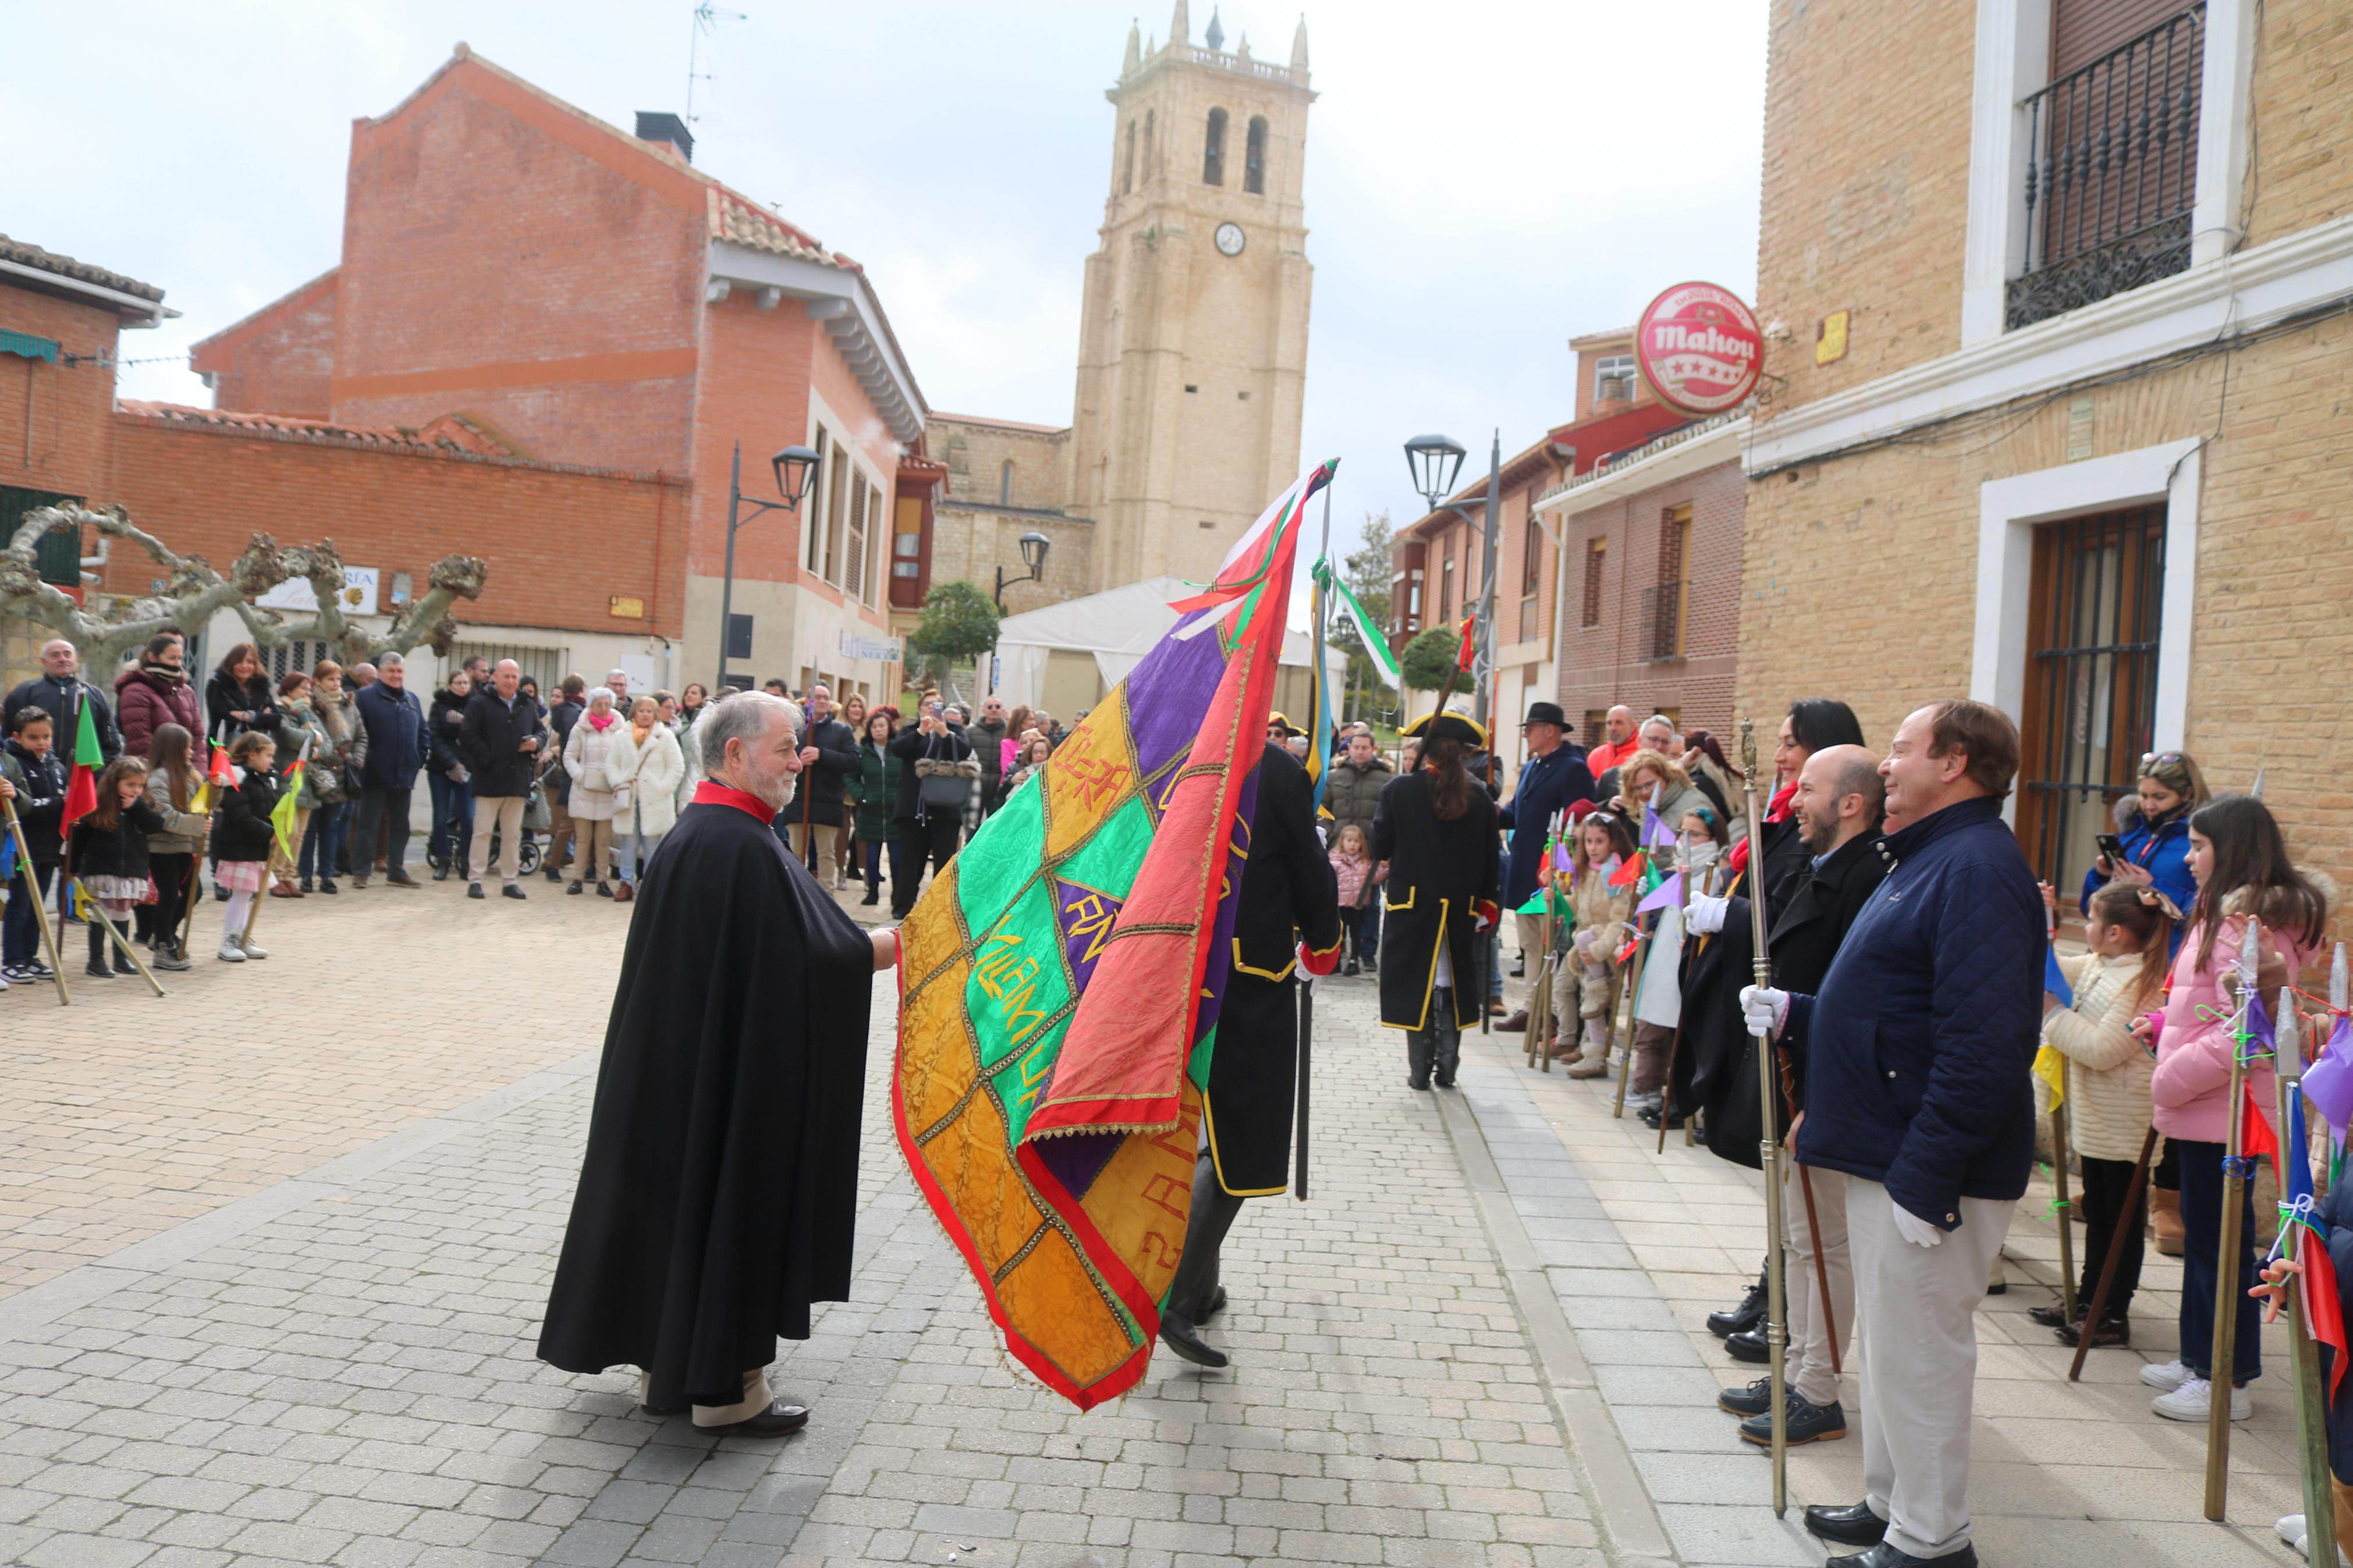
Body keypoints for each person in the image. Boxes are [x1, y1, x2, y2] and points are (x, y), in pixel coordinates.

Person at [539, 691, 902, 1433]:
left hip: (681, 1081)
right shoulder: (735, 841)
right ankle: (728, 1393)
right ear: (734, 755)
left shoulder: (708, 830)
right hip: (725, 1085)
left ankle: (669, 1368)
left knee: (680, 1213)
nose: (800, 759)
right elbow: (817, 955)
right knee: (726, 1206)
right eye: (784, 747)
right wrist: (915, 940)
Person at [1745, 701, 2040, 1567]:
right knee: (1891, 1346)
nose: (1885, 768)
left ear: (1952, 762)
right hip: (1889, 1143)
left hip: (1923, 1162)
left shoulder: (1975, 865)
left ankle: (1929, 1538)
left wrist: (1926, 1172)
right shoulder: (1927, 857)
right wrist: (1799, 1012)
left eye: (1902, 751)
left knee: (1919, 1357)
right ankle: (1892, 1502)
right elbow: (1893, 1002)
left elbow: (1983, 1042)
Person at [1693, 745, 1888, 1432]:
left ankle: (1817, 1389)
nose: (1792, 801)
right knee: (1802, 1241)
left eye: (1805, 789)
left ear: (1850, 803)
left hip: (1824, 1081)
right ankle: (1797, 1370)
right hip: (1798, 1072)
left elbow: (1853, 993)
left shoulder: (1867, 877)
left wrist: (1815, 1081)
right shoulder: (1824, 865)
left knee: (1823, 1244)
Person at [2139, 792, 2330, 1424]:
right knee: (2202, 1239)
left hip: (2222, 1103)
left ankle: (2226, 1374)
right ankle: (2198, 1353)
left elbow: (2250, 1026)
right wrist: (2164, 1021)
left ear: (2233, 849)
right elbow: (2205, 1004)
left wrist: (2173, 1072)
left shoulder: (2248, 925)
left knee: (2220, 1245)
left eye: (2197, 845)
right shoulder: (2223, 913)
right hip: (2203, 1102)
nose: (2187, 857)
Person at [1159, 738, 1342, 1368]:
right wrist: (1323, 937)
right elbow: (1306, 866)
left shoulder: (1174, 743)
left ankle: (1201, 1290)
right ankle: (1176, 1302)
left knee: (1208, 1133)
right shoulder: (1273, 768)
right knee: (1242, 1140)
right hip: (1245, 979)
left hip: (1169, 972)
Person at [2027, 880, 2171, 1349]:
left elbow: (2102, 1048)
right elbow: (2056, 973)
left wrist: (2051, 1015)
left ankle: (2111, 1314)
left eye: (2089, 919)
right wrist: (2041, 921)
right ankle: (2086, 1299)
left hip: (2125, 1121)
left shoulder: (2141, 982)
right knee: (2099, 1212)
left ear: (2114, 932)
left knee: (2120, 1219)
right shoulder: (2102, 964)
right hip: (2097, 1119)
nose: (2084, 927)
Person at [1372, 712, 1500, 1090]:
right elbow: (1491, 859)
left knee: (1417, 983)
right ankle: (1447, 1067)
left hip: (1412, 904)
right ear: (1462, 752)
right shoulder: (1480, 797)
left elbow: (1380, 844)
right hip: (1462, 905)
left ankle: (1419, 1071)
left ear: (1424, 749)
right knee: (1452, 983)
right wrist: (1488, 903)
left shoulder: (1399, 790)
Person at [1496, 702, 1595, 1033]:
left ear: (1549, 730)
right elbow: (1514, 814)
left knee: (1552, 943)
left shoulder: (1573, 768)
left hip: (1553, 873)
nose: (1526, 735)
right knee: (1529, 943)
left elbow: (1578, 823)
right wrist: (1489, 807)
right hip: (1526, 868)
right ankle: (1532, 1007)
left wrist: (1563, 871)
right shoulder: (1531, 767)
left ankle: (1554, 1012)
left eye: (1530, 728)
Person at [2080, 749, 2207, 921]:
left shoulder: (2203, 841)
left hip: (2172, 946)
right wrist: (2102, 876)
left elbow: (2210, 913)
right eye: (2143, 796)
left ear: (2187, 794)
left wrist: (2152, 887)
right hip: (2121, 944)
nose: (2148, 805)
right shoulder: (2131, 832)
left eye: (2159, 797)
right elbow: (2090, 911)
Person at [455, 660, 544, 901]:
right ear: (494, 677)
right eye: (506, 676)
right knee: (482, 832)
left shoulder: (526, 704)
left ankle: (510, 882)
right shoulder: (479, 702)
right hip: (489, 779)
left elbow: (541, 731)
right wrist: (488, 759)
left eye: (515, 677)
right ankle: (475, 880)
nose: (511, 681)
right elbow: (467, 734)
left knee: (512, 835)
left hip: (517, 780)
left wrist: (537, 742)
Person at [69, 756, 164, 979]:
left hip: (130, 870)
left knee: (122, 911)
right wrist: (72, 866)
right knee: (101, 912)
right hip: (102, 869)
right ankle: (96, 960)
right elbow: (80, 837)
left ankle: (121, 957)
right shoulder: (99, 805)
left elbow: (155, 826)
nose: (136, 790)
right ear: (115, 782)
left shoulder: (141, 805)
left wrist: (137, 807)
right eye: (130, 785)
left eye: (140, 785)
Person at [1558, 808, 1637, 1076]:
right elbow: (1578, 906)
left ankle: (1597, 1055)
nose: (1593, 848)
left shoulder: (1616, 873)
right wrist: (1559, 898)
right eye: (1588, 842)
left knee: (1595, 1000)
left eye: (1599, 841)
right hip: (1585, 945)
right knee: (1584, 994)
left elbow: (1620, 917)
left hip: (1603, 946)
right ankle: (1587, 1045)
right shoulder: (1586, 871)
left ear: (1613, 842)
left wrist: (1598, 949)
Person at [888, 700, 973, 919]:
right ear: (919, 708)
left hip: (946, 808)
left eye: (934, 705)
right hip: (912, 809)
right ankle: (902, 909)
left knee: (944, 862)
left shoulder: (954, 731)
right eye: (926, 704)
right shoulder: (910, 730)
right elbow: (897, 749)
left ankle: (940, 910)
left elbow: (965, 751)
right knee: (910, 860)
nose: (930, 708)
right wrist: (921, 732)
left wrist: (944, 732)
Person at [351, 652, 428, 890]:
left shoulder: (412, 699)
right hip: (374, 774)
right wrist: (366, 761)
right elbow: (356, 732)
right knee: (368, 824)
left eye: (400, 671)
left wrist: (419, 758)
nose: (396, 676)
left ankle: (397, 871)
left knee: (401, 827)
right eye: (391, 671)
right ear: (381, 673)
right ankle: (361, 873)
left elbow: (423, 733)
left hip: (405, 773)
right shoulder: (364, 697)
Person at [1, 706, 67, 983]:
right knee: (21, 905)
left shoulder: (57, 766)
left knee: (39, 906)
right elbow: (28, 807)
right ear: (17, 737)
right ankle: (12, 960)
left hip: (48, 847)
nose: (41, 743)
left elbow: (63, 802)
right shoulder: (13, 765)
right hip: (22, 846)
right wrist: (57, 803)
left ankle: (30, 956)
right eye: (33, 737)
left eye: (46, 736)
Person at [138, 724, 207, 970]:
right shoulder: (157, 778)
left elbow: (204, 805)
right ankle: (162, 945)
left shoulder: (191, 774)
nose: (191, 751)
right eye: (187, 747)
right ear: (173, 748)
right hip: (163, 847)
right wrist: (198, 826)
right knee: (168, 896)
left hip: (185, 845)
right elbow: (165, 817)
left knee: (193, 893)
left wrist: (216, 790)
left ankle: (164, 933)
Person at [1325, 730, 1394, 973]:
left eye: (1365, 747)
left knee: (1371, 906)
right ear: (1350, 748)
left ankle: (1367, 952)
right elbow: (1324, 807)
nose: (1361, 751)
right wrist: (1330, 835)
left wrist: (1381, 843)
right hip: (1340, 852)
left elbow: (1390, 814)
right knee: (1337, 903)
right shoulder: (1334, 776)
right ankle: (1337, 950)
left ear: (1373, 749)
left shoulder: (1385, 779)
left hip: (1370, 851)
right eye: (1357, 747)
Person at [211, 730, 284, 962]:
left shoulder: (264, 780)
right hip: (239, 847)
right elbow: (240, 817)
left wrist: (280, 825)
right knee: (241, 895)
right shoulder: (237, 779)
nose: (272, 761)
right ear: (252, 755)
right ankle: (229, 940)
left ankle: (242, 936)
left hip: (255, 847)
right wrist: (269, 833)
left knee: (248, 893)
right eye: (268, 755)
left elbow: (269, 811)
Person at [609, 696, 684, 903]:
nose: (645, 715)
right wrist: (619, 783)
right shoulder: (621, 736)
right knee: (628, 843)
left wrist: (663, 788)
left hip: (655, 800)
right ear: (634, 713)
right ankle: (626, 883)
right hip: (629, 798)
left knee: (652, 845)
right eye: (641, 710)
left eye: (649, 711)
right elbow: (611, 764)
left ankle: (650, 886)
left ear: (655, 714)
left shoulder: (665, 737)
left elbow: (677, 767)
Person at [297, 662, 363, 895]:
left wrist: (356, 760)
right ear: (317, 681)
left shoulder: (348, 705)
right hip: (313, 774)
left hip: (339, 775)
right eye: (330, 680)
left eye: (338, 679)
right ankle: (305, 875)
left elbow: (361, 737)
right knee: (309, 827)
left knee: (331, 828)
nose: (336, 684)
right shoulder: (307, 706)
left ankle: (326, 874)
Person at [784, 684, 857, 888]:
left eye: (826, 697)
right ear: (808, 702)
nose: (823, 701)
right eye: (818, 698)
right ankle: (795, 892)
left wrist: (822, 755)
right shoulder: (795, 728)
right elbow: (779, 755)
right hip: (798, 799)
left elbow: (852, 761)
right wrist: (798, 760)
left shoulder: (841, 731)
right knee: (796, 851)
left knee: (826, 854)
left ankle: (827, 895)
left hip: (828, 800)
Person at [6, 638, 122, 762]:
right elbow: (7, 734)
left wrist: (97, 773)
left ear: (76, 660)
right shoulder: (25, 692)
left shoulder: (94, 695)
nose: (62, 659)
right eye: (55, 655)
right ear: (43, 662)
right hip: (33, 772)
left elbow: (111, 743)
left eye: (67, 654)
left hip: (84, 775)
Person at [269, 672, 329, 898]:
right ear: (289, 688)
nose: (307, 692)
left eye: (309, 689)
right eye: (303, 688)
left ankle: (288, 877)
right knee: (287, 829)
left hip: (307, 778)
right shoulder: (280, 710)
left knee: (300, 834)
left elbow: (328, 743)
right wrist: (313, 737)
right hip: (287, 776)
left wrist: (314, 750)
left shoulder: (309, 712)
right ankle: (273, 876)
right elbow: (290, 737)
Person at [563, 688, 627, 898]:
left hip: (607, 791)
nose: (603, 709)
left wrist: (615, 778)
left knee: (603, 840)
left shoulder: (619, 729)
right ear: (591, 705)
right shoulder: (581, 728)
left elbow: (623, 757)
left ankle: (602, 880)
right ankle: (577, 879)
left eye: (607, 704)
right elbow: (569, 756)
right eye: (599, 704)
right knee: (582, 839)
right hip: (584, 791)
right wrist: (581, 777)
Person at [115, 633, 200, 758]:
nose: (178, 664)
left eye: (180, 658)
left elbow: (198, 738)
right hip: (155, 772)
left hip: (186, 773)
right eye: (172, 658)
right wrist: (171, 770)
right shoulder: (135, 691)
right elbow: (140, 742)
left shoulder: (186, 692)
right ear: (153, 657)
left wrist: (197, 772)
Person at [427, 669, 475, 880]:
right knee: (440, 817)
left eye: (466, 683)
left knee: (468, 818)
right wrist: (452, 763)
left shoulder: (476, 706)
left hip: (467, 770)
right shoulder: (439, 706)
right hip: (441, 768)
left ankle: (465, 861)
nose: (463, 686)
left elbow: (478, 736)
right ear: (449, 685)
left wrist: (463, 765)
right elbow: (434, 737)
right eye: (458, 682)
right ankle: (442, 861)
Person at [849, 709, 900, 908]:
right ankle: (872, 892)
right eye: (874, 726)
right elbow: (850, 778)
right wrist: (861, 797)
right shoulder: (862, 753)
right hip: (870, 812)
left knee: (897, 859)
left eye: (882, 726)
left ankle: (898, 896)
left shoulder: (898, 752)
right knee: (871, 858)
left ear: (890, 728)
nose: (878, 730)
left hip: (895, 813)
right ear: (869, 730)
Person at [544, 674, 588, 883]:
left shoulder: (567, 712)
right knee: (568, 824)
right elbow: (573, 744)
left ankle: (556, 863)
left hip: (571, 775)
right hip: (575, 776)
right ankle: (553, 864)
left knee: (571, 824)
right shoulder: (574, 713)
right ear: (581, 689)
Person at [204, 643, 277, 741]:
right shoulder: (218, 684)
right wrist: (262, 717)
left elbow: (276, 720)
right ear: (231, 663)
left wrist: (248, 716)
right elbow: (221, 719)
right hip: (223, 747)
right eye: (239, 661)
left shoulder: (261, 687)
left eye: (250, 662)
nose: (244, 666)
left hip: (257, 749)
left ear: (255, 665)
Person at [1330, 823, 1375, 976]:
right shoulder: (1335, 859)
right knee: (1338, 934)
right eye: (1349, 840)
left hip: (1358, 905)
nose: (1352, 844)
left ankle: (1354, 960)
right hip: (1340, 904)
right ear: (1342, 841)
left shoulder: (1365, 861)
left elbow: (1375, 877)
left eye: (1356, 841)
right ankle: (1334, 962)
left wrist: (1384, 867)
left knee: (1356, 934)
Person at [1584, 705, 1639, 783]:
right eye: (1609, 723)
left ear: (1632, 726)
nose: (1613, 728)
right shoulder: (1596, 755)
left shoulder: (1641, 756)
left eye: (1619, 723)